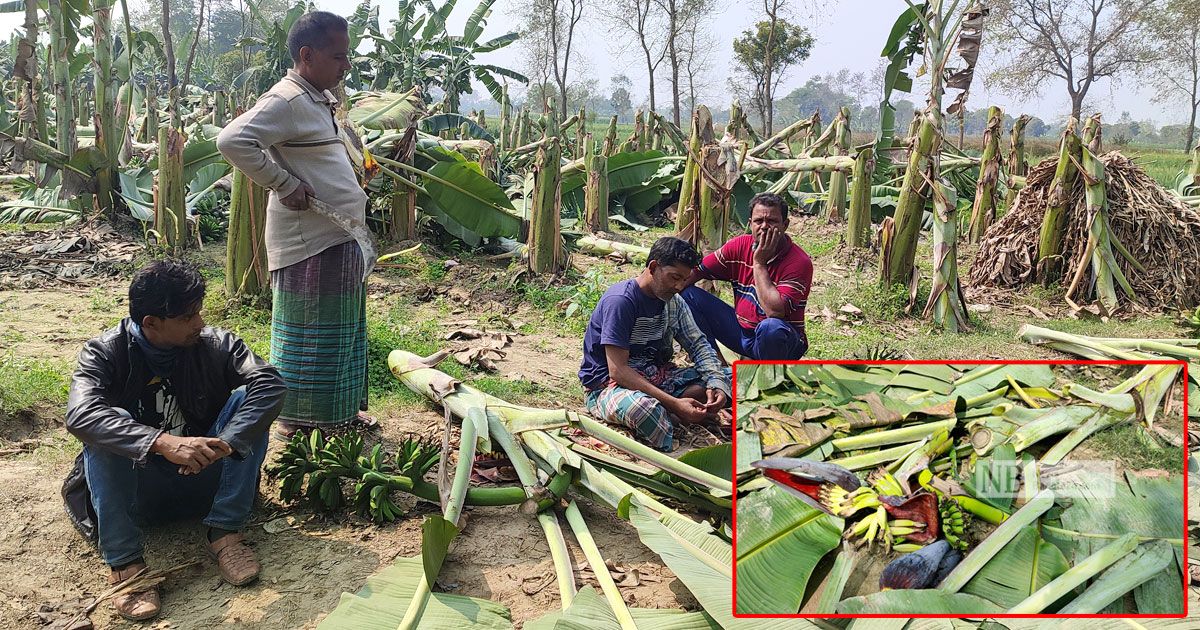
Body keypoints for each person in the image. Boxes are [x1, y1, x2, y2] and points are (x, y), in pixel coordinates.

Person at [61, 260, 286, 621]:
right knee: (107, 423)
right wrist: (162, 443)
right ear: (151, 322)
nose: (199, 323)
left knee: (249, 402)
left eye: (198, 312)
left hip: (206, 476)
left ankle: (225, 532)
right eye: (187, 317)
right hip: (138, 490)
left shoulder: (217, 344)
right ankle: (126, 565)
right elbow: (80, 414)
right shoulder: (104, 352)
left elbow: (269, 384)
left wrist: (225, 443)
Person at [217, 11, 371, 435]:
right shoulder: (286, 100)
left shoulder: (315, 99)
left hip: (337, 236)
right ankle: (300, 423)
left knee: (339, 333)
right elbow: (232, 140)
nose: (346, 64)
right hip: (311, 241)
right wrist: (283, 183)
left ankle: (337, 414)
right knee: (311, 338)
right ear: (307, 55)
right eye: (339, 55)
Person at [579, 237, 732, 451]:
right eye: (674, 277)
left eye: (685, 279)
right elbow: (618, 371)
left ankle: (678, 413)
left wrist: (717, 386)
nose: (679, 286)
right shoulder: (621, 302)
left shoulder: (674, 303)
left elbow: (698, 346)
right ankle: (676, 413)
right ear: (653, 267)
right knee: (644, 410)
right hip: (610, 387)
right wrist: (674, 403)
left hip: (658, 377)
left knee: (734, 378)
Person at [681, 192, 813, 361]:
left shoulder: (798, 262)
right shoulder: (738, 246)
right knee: (687, 295)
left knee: (770, 328)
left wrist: (759, 263)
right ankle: (714, 365)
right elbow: (696, 272)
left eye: (772, 221)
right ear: (750, 224)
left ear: (785, 225)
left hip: (781, 342)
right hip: (743, 333)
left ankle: (768, 377)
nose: (764, 226)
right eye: (759, 221)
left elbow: (774, 312)